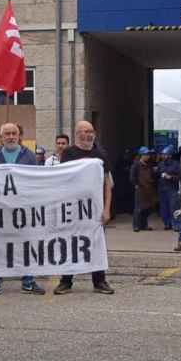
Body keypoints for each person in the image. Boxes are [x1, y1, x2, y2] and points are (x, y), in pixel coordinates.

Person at [54, 121, 115, 295]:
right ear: (77, 134)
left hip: (94, 209)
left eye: (91, 131)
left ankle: (99, 281)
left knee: (96, 244)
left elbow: (107, 184)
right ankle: (66, 281)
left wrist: (107, 209)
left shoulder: (100, 155)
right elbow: (64, 178)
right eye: (84, 131)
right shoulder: (68, 153)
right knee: (70, 242)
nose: (88, 134)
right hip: (73, 207)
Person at [0, 123, 44, 297]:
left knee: (26, 245)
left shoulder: (30, 156)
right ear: (1, 137)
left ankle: (28, 281)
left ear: (19, 135)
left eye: (14, 133)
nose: (10, 136)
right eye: (7, 134)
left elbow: (37, 181)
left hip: (22, 209)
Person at [130, 147, 157, 232]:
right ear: (141, 155)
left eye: (148, 155)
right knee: (138, 208)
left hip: (148, 189)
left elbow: (152, 176)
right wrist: (136, 185)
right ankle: (136, 226)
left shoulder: (149, 164)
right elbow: (132, 177)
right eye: (146, 154)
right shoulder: (136, 165)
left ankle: (144, 225)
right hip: (140, 189)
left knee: (147, 208)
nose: (148, 156)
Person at [157, 146, 181, 231]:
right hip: (162, 189)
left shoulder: (176, 165)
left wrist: (170, 177)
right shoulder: (161, 164)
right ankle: (167, 224)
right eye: (163, 154)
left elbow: (180, 177)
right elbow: (157, 175)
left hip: (172, 189)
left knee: (174, 208)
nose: (163, 156)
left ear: (170, 155)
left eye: (165, 154)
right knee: (164, 208)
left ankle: (176, 225)